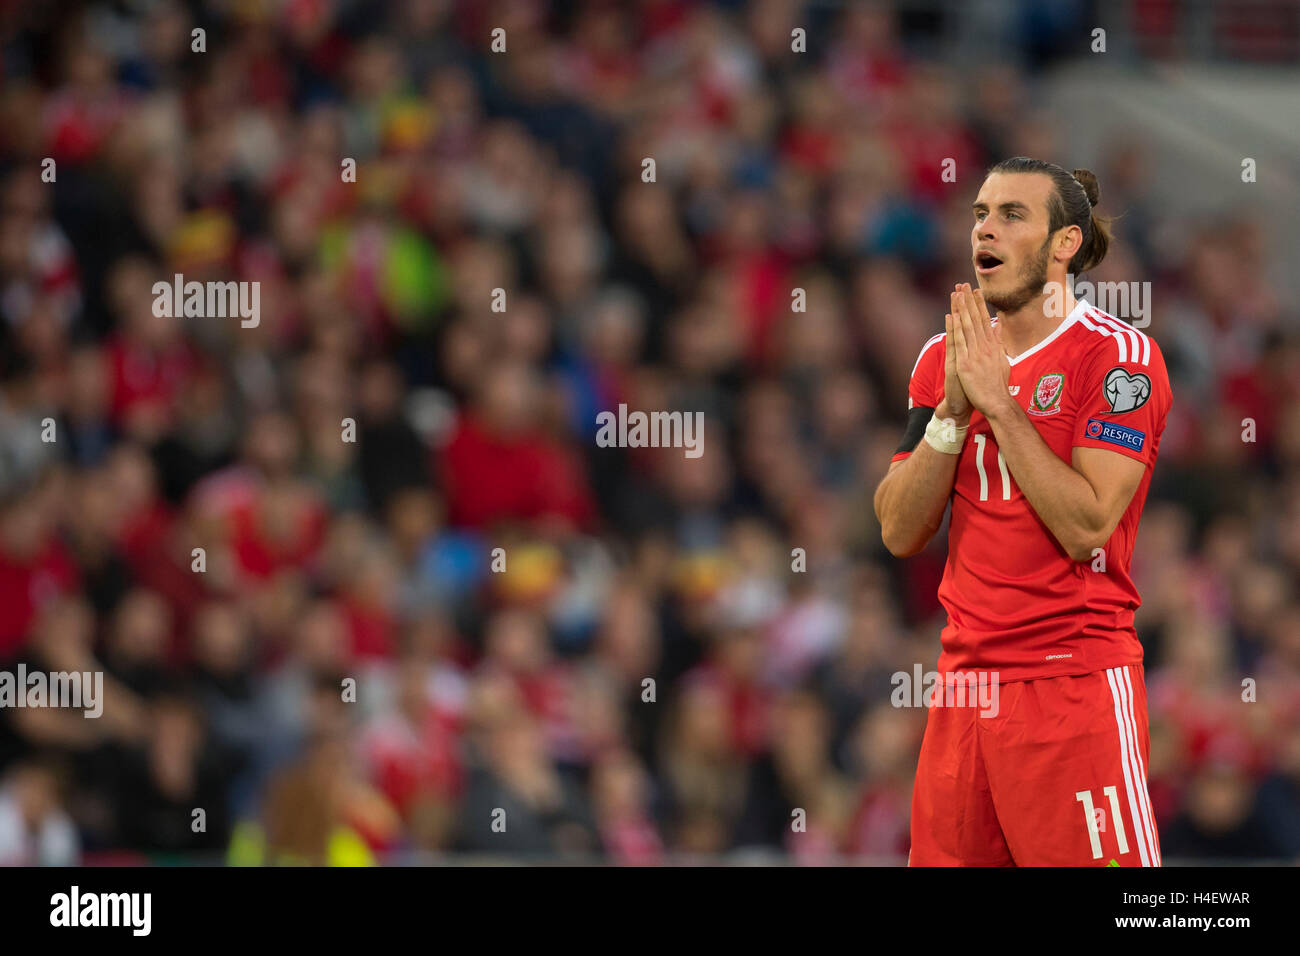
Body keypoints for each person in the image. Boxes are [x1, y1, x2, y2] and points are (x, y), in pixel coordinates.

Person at [874, 157, 1171, 866]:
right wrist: (951, 408)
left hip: (1072, 689)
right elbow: (897, 529)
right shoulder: (942, 358)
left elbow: (1087, 525)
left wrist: (998, 403)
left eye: (1012, 214)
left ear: (1064, 244)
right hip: (963, 691)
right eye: (980, 213)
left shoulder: (1119, 358)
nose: (986, 229)